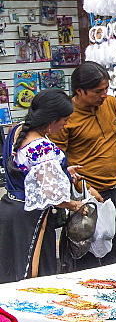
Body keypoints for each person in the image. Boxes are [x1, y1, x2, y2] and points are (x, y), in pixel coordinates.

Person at [51, 61, 116, 265]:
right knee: (89, 262)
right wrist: (82, 186)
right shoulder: (66, 117)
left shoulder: (110, 104)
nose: (104, 94)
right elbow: (57, 162)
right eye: (98, 91)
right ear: (80, 91)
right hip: (87, 198)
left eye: (106, 88)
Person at [0, 90, 88, 282]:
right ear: (51, 120)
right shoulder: (42, 148)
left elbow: (26, 170)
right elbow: (51, 195)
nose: (66, 124)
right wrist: (76, 205)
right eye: (64, 120)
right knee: (31, 274)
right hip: (31, 218)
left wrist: (62, 172)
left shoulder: (17, 130)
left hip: (9, 208)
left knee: (9, 269)